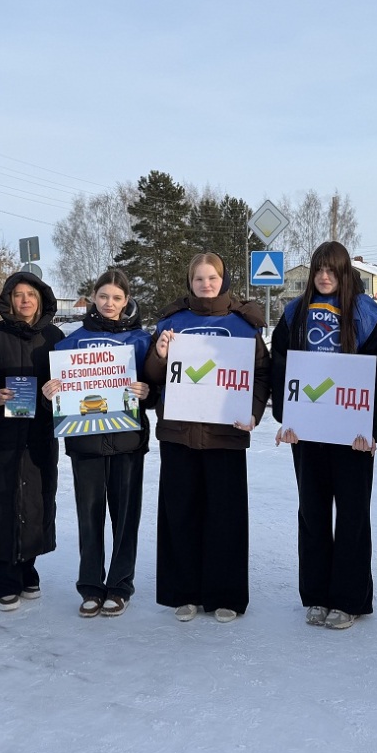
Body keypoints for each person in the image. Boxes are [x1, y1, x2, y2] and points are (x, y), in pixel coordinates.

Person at [144, 252, 271, 623]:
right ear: (190, 282)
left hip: (225, 434)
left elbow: (261, 374)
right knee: (180, 513)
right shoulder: (171, 323)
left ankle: (225, 594)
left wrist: (254, 411)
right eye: (198, 278)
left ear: (223, 280)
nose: (206, 284)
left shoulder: (243, 324)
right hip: (178, 434)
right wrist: (160, 354)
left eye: (212, 277)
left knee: (225, 516)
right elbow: (152, 377)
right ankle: (183, 593)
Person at [271, 242, 377, 631]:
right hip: (307, 433)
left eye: (332, 270)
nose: (324, 277)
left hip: (351, 436)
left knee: (353, 516)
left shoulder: (367, 315)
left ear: (344, 273)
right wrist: (286, 417)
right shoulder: (295, 313)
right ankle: (317, 595)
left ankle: (349, 600)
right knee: (313, 514)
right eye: (319, 270)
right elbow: (281, 366)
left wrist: (369, 429)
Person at [43, 270, 156, 619]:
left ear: (127, 301)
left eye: (117, 298)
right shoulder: (70, 343)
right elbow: (58, 395)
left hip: (127, 440)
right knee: (89, 515)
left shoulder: (141, 341)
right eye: (104, 296)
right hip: (85, 442)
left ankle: (120, 586)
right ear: (93, 297)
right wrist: (50, 392)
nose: (109, 303)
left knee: (125, 516)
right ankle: (90, 585)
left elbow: (156, 387)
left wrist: (147, 391)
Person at [0, 271, 64, 610]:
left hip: (39, 435)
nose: (25, 300)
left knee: (35, 502)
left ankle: (26, 569)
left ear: (41, 300)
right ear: (8, 299)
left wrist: (58, 390)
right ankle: (2, 580)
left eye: (31, 295)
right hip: (1, 435)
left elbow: (68, 380)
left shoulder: (54, 337)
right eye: (18, 294)